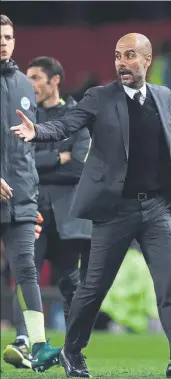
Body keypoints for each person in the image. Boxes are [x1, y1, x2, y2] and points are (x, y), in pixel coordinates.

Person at [11, 33, 171, 379]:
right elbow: (65, 125)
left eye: (130, 55)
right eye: (118, 55)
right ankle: (72, 353)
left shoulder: (163, 96)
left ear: (147, 61)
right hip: (113, 212)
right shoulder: (99, 97)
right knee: (92, 289)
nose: (121, 62)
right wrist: (38, 131)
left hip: (156, 211)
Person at [4, 56, 92, 369]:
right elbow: (18, 162)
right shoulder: (24, 113)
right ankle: (24, 343)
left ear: (55, 80)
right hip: (33, 209)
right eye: (27, 78)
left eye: (36, 77)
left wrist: (39, 160)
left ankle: (74, 352)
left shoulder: (76, 114)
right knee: (26, 274)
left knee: (71, 283)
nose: (30, 84)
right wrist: (59, 157)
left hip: (69, 215)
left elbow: (81, 165)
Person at [0, 14, 61, 372]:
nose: (3, 42)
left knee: (26, 270)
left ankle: (37, 345)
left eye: (7, 36)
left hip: (21, 198)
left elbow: (26, 148)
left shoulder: (25, 84)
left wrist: (32, 194)